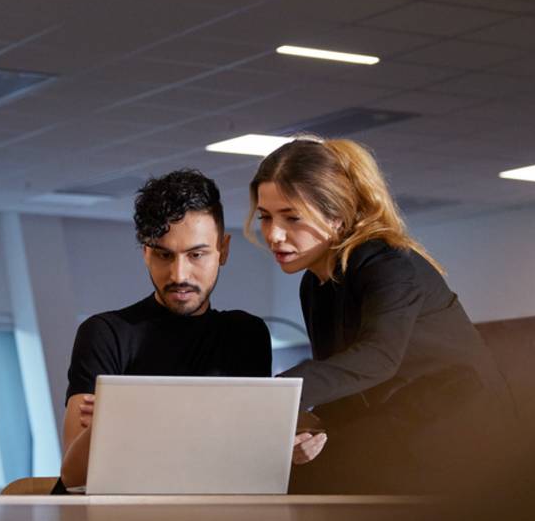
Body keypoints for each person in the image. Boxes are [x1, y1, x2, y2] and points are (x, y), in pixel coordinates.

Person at [249, 137, 509, 493]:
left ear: (336, 216)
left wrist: (275, 396)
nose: (273, 235)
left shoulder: (387, 263)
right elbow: (346, 379)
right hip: (407, 424)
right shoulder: (314, 284)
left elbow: (377, 359)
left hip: (462, 431)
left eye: (292, 218)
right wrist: (315, 426)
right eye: (265, 217)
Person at [59, 169, 271, 490]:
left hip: (211, 512)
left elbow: (248, 461)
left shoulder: (247, 334)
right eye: (164, 255)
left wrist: (127, 419)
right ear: (146, 253)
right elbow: (74, 477)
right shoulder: (105, 333)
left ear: (223, 250)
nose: (179, 274)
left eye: (196, 255)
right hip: (118, 515)